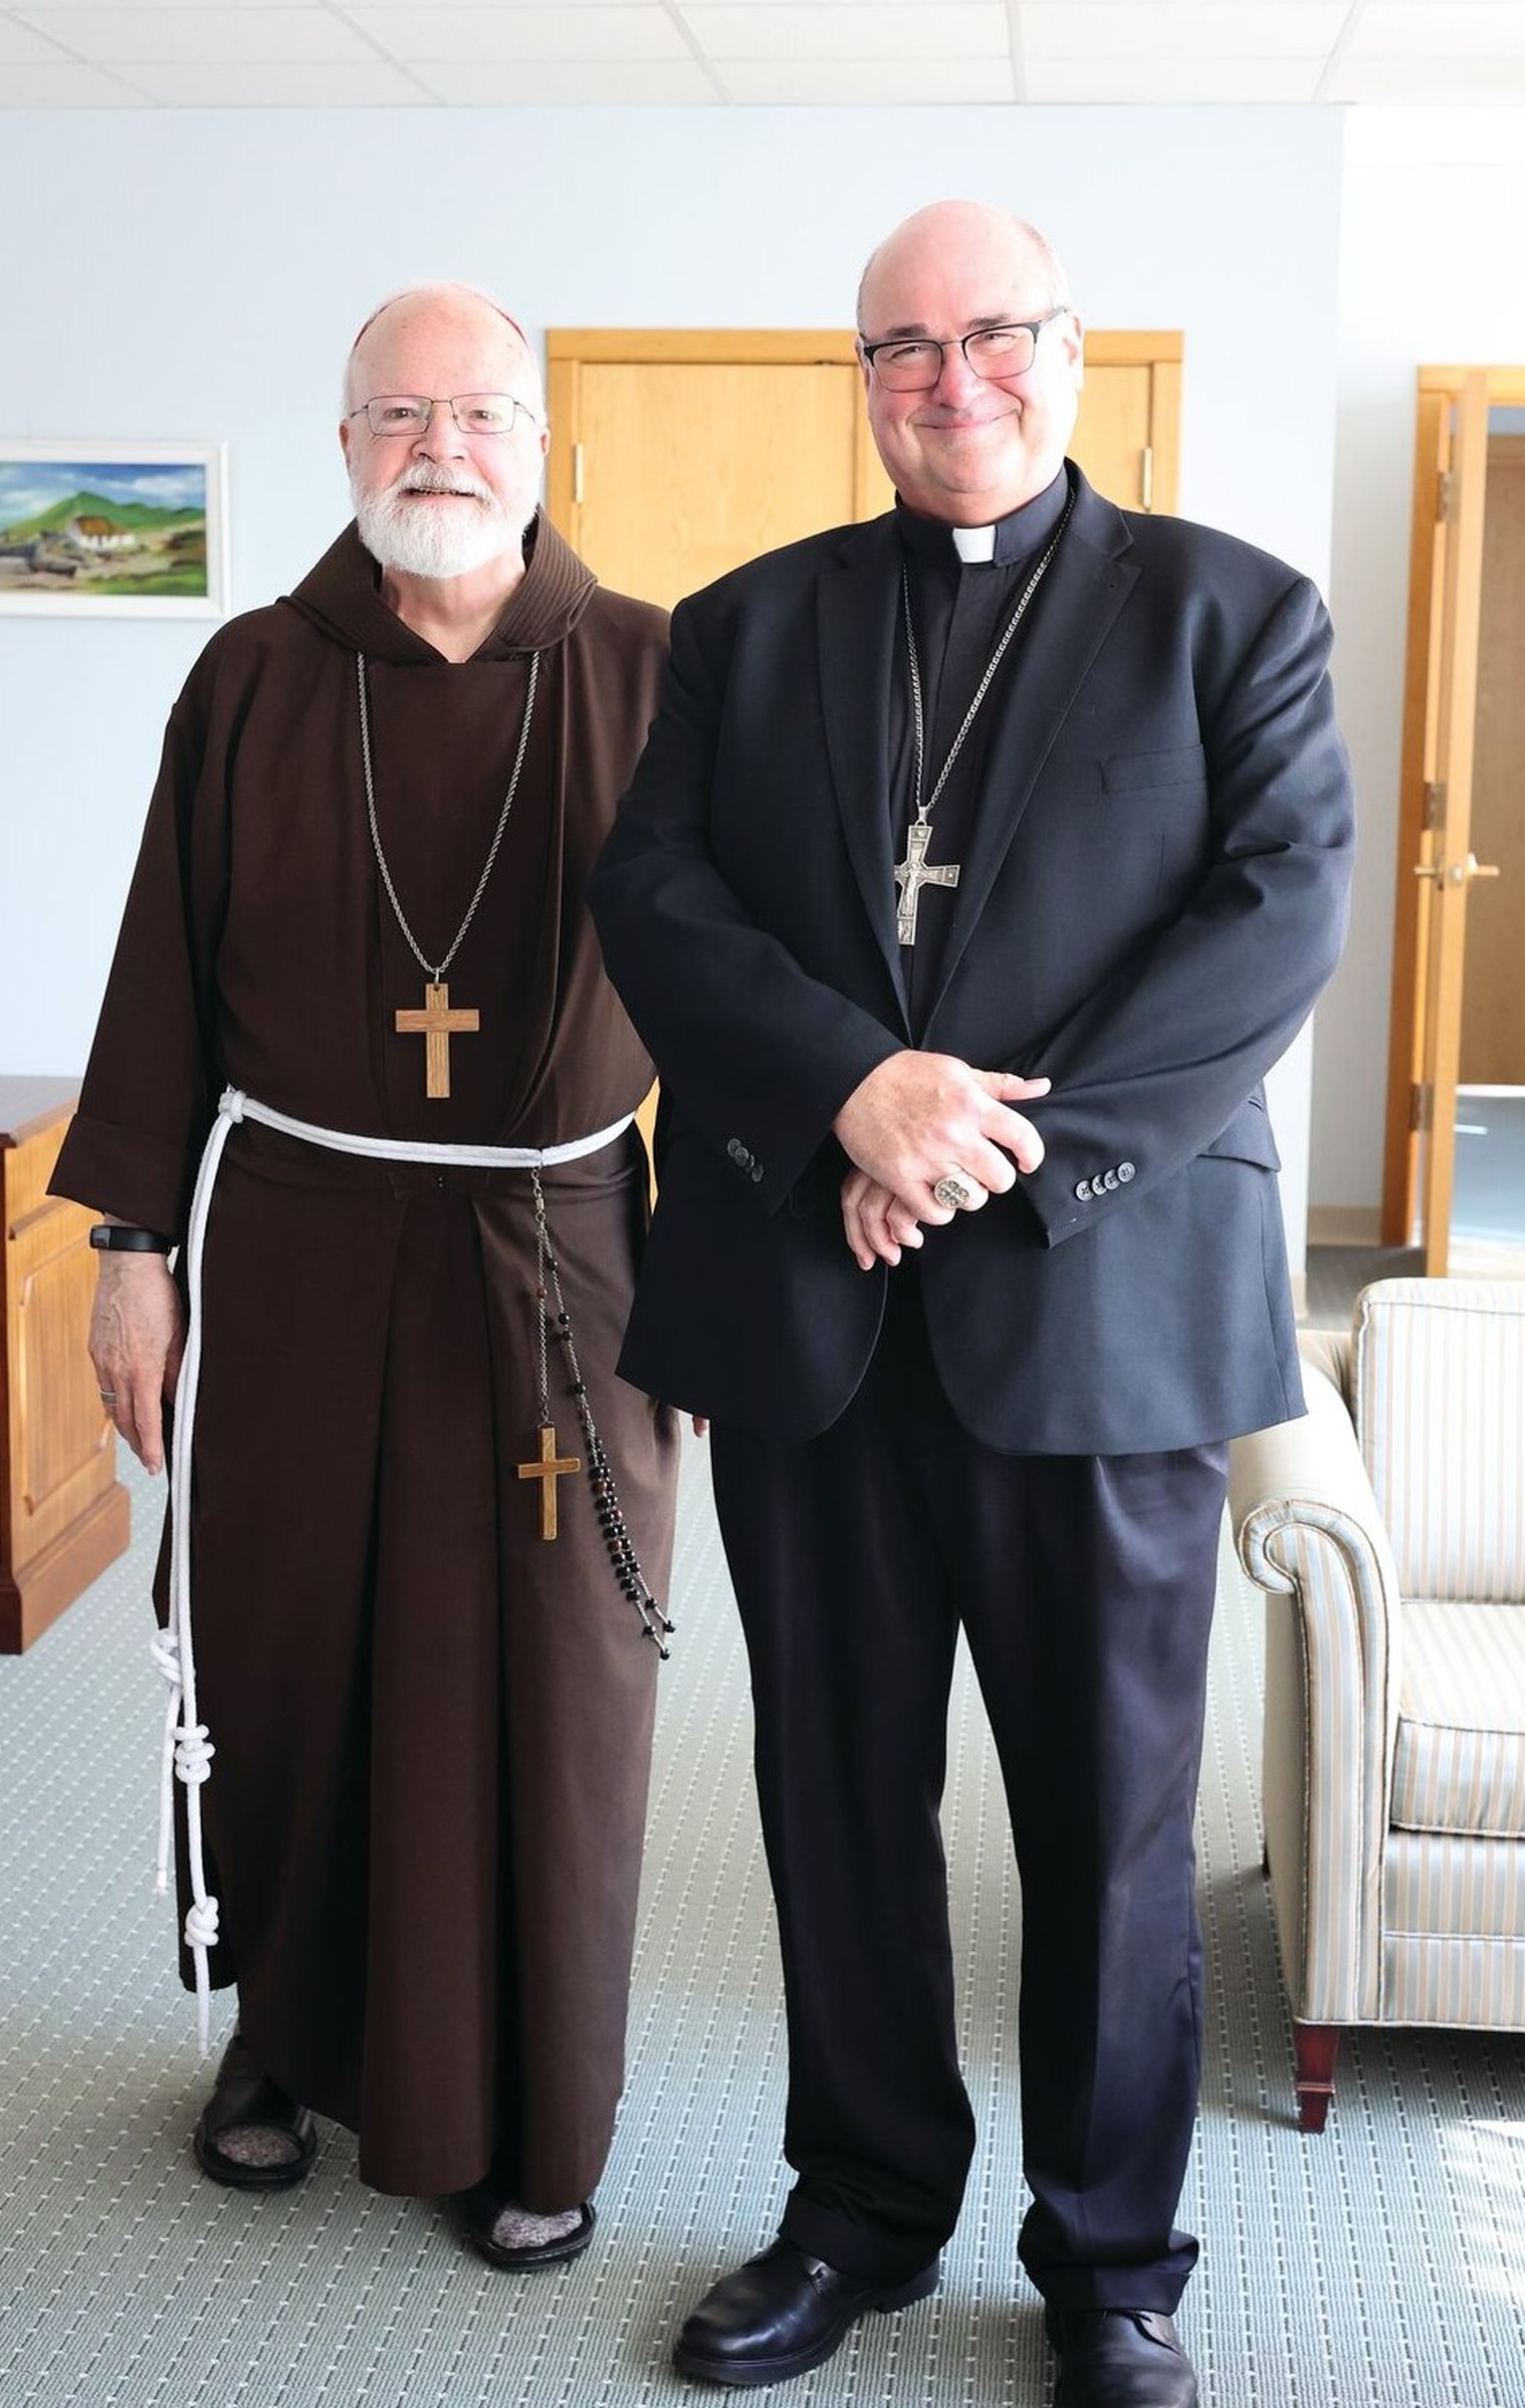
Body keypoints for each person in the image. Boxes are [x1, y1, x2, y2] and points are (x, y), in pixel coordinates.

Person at [589, 201, 1353, 2406]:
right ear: (862, 379)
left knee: (1109, 1818)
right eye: (900, 350)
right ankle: (856, 2214)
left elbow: (1269, 922)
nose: (949, 381)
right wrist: (853, 1092)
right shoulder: (742, 631)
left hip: (1096, 1309)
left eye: (987, 335)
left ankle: (1110, 2264)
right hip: (812, 1319)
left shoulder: (1230, 615)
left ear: (1066, 348)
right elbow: (656, 898)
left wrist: (989, 1144)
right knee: (832, 1788)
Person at [50, 282, 679, 2268]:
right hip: (296, 1246)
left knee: (547, 1691)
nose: (440, 444)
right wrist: (133, 1254)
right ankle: (275, 2044)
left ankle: (534, 2112)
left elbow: (745, 1003)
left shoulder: (660, 673)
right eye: (396, 412)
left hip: (558, 1258)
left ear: (536, 437)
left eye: (478, 409)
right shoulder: (249, 678)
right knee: (293, 1657)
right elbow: (160, 971)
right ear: (343, 447)